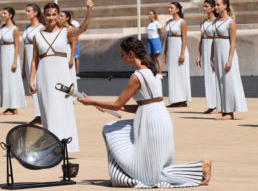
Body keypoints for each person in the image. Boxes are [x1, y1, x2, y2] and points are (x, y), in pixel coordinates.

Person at [78, 37, 211, 188]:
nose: (121, 58)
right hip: (160, 120)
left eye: (122, 54)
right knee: (155, 172)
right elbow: (142, 106)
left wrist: (91, 102)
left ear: (131, 54)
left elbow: (117, 104)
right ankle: (198, 170)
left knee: (151, 178)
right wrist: (112, 107)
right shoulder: (152, 70)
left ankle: (199, 169)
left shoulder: (137, 76)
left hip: (151, 125)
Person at [29, 0, 94, 152]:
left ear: (59, 15)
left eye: (54, 14)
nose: (51, 17)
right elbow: (34, 60)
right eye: (48, 15)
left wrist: (89, 10)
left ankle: (66, 145)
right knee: (48, 110)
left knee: (63, 109)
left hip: (62, 77)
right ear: (43, 17)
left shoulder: (66, 32)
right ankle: (51, 145)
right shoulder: (37, 36)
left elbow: (83, 28)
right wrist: (32, 80)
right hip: (44, 77)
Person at [211, 0, 247, 120]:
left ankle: (229, 112)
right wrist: (211, 57)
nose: (215, 7)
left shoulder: (230, 22)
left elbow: (233, 42)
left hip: (227, 54)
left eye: (218, 4)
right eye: (215, 5)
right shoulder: (215, 22)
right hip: (217, 54)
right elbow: (213, 40)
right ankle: (222, 109)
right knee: (219, 82)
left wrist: (230, 59)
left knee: (228, 81)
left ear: (225, 6)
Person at [0, 7, 26, 115]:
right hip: (4, 54)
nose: (2, 15)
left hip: (11, 54)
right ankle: (8, 105)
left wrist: (15, 61)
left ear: (10, 15)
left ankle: (13, 106)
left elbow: (17, 46)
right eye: (2, 13)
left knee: (12, 80)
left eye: (5, 13)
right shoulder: (2, 28)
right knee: (5, 81)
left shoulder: (15, 29)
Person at [164, 2, 191, 107]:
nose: (169, 9)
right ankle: (175, 99)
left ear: (177, 10)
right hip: (171, 50)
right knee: (173, 75)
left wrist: (182, 53)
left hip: (179, 49)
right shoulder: (168, 22)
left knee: (180, 75)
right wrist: (165, 52)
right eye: (169, 7)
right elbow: (167, 38)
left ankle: (183, 99)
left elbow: (184, 38)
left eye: (171, 7)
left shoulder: (182, 22)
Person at [22, 4, 44, 123]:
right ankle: (38, 114)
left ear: (35, 13)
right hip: (28, 59)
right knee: (31, 86)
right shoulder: (26, 28)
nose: (26, 13)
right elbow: (25, 48)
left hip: (37, 59)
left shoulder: (41, 27)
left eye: (28, 11)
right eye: (26, 11)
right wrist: (23, 65)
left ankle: (40, 114)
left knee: (37, 85)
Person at [196, 0, 218, 114]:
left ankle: (217, 105)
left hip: (214, 50)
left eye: (206, 6)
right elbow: (201, 39)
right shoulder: (203, 22)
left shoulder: (217, 22)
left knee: (214, 77)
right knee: (208, 78)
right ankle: (211, 105)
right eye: (203, 6)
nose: (204, 8)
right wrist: (199, 55)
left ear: (213, 8)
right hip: (205, 49)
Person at [59, 10, 78, 92]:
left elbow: (74, 45)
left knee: (69, 73)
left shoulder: (71, 29)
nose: (59, 18)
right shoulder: (58, 29)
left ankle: (71, 93)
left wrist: (71, 59)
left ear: (67, 18)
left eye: (61, 16)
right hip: (59, 51)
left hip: (67, 51)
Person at [146, 10, 163, 77]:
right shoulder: (148, 24)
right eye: (149, 14)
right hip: (149, 40)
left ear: (154, 15)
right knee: (151, 57)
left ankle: (160, 73)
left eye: (151, 14)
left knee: (157, 58)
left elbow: (160, 33)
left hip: (156, 40)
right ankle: (154, 71)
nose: (149, 16)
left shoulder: (157, 23)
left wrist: (159, 41)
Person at [70, 11, 81, 79]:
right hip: (69, 42)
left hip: (75, 42)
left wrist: (76, 40)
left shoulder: (75, 23)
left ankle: (77, 73)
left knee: (76, 57)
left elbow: (78, 32)